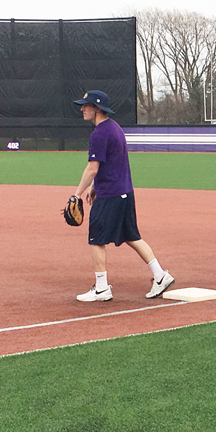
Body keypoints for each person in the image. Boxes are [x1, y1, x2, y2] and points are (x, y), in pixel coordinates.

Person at [69, 90, 174, 302]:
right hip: (124, 192)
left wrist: (77, 194)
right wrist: (95, 187)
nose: (82, 109)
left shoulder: (99, 134)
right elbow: (113, 163)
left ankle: (101, 288)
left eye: (86, 105)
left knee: (96, 238)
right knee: (132, 236)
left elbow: (92, 168)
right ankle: (160, 275)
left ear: (96, 108)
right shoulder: (114, 128)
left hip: (111, 196)